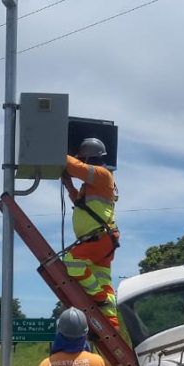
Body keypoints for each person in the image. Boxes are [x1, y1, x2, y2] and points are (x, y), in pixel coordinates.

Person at [61, 137, 121, 329]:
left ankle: (99, 298)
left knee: (72, 260)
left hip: (99, 237)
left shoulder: (102, 174)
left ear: (87, 158)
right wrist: (70, 187)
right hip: (102, 239)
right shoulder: (95, 184)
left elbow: (74, 166)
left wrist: (55, 150)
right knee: (103, 279)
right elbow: (81, 204)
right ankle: (112, 324)